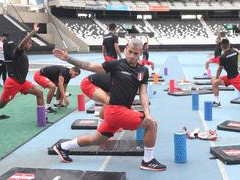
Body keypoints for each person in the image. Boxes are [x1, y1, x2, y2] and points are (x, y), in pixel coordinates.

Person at [52, 38, 167, 171]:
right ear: (125, 50)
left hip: (119, 113)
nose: (131, 56)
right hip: (115, 111)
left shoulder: (143, 71)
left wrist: (147, 113)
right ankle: (148, 160)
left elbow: (143, 93)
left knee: (96, 140)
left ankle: (63, 146)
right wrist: (68, 58)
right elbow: (89, 66)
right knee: (151, 125)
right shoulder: (116, 64)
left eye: (135, 53)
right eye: (129, 52)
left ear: (141, 53)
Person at [0, 24, 44, 125]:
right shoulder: (18, 51)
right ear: (24, 43)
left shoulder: (24, 53)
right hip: (13, 83)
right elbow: (22, 44)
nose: (30, 44)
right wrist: (33, 32)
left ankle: (42, 119)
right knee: (1, 105)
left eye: (31, 43)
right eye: (29, 43)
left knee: (39, 93)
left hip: (22, 82)